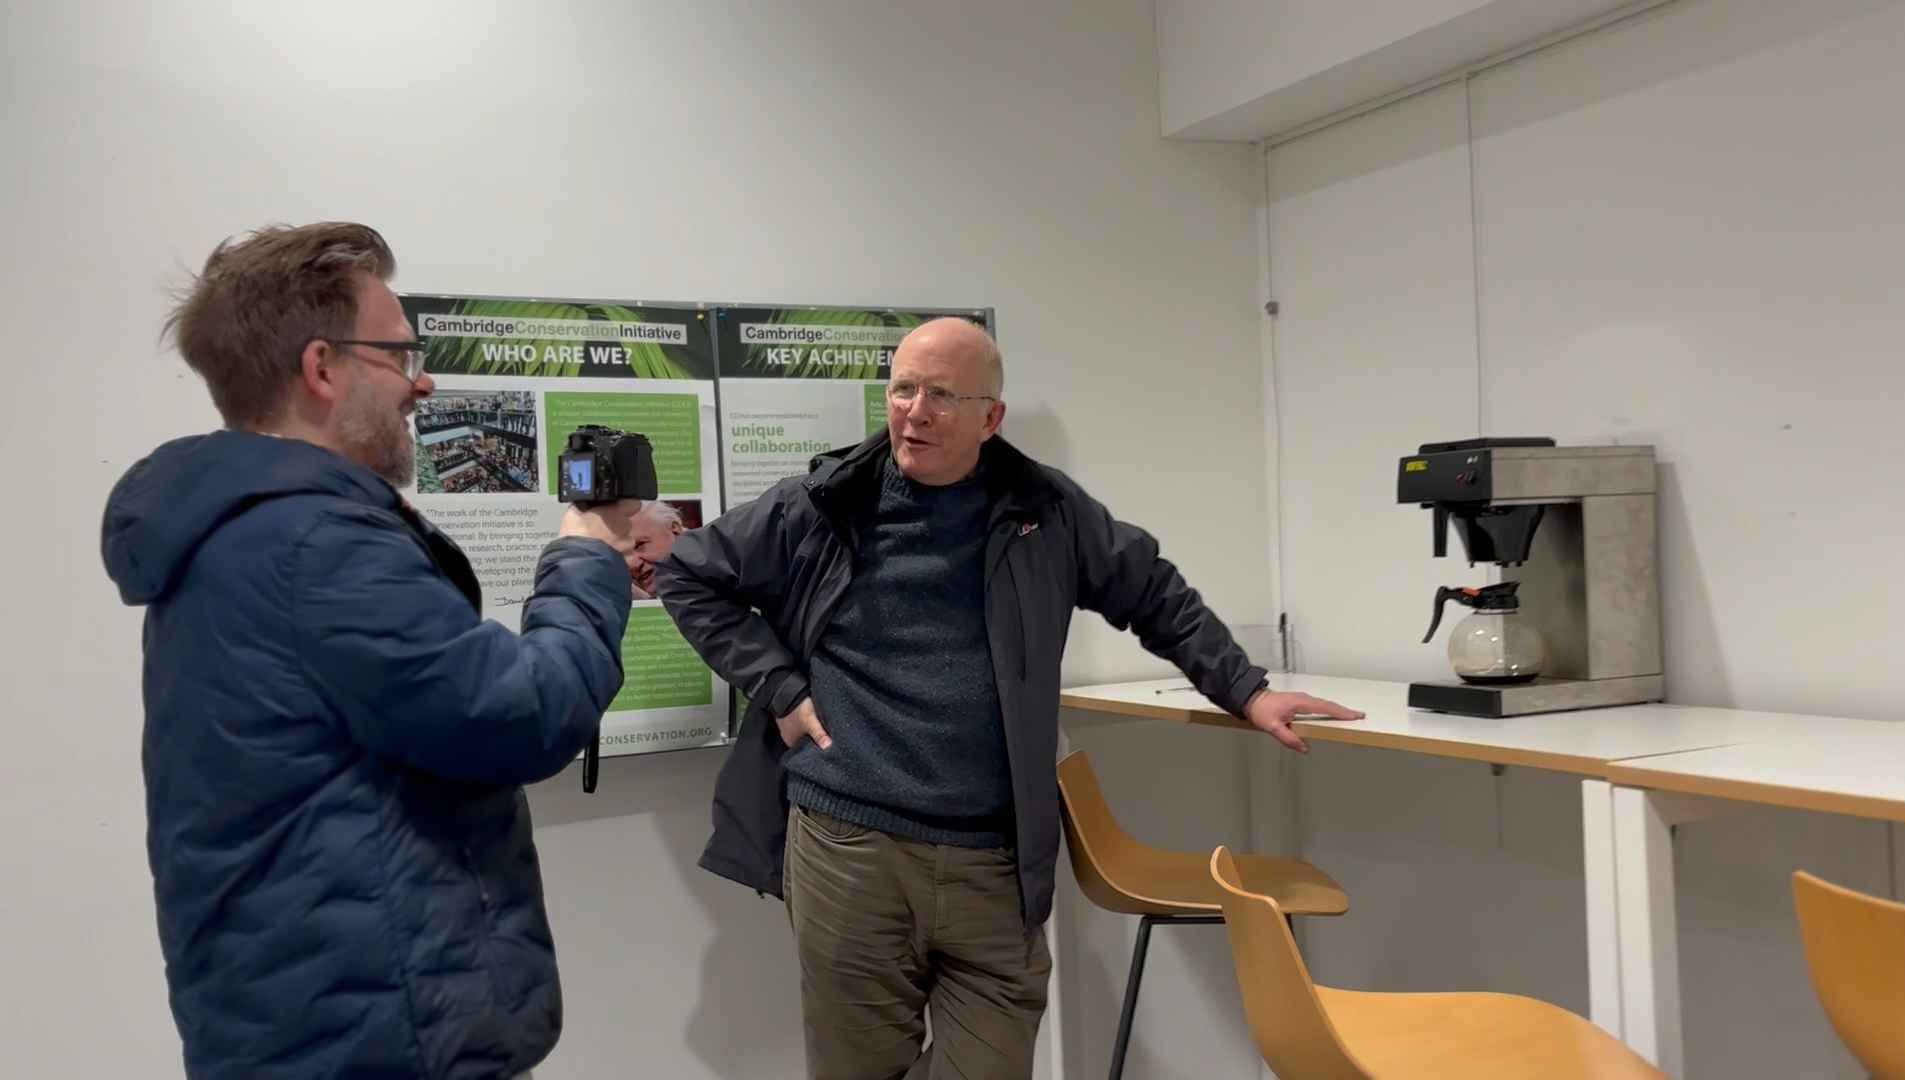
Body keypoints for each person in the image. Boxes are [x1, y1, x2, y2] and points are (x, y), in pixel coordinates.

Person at [652, 317, 1365, 1079]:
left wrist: (1247, 691)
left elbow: (1151, 592)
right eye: (902, 388)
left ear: (990, 418)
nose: (914, 412)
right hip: (850, 848)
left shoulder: (1046, 512)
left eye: (942, 396)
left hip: (993, 858)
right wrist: (780, 687)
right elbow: (688, 574)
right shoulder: (825, 503)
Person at [99, 222, 646, 1080]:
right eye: (398, 354)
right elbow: (523, 715)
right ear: (322, 368)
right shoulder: (318, 546)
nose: (420, 381)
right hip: (382, 1032)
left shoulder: (230, 531)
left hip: (301, 1013)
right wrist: (587, 556)